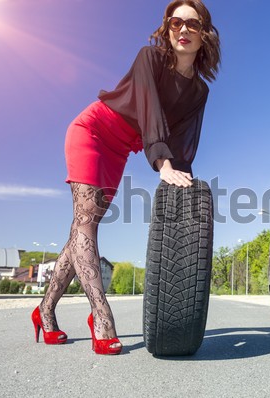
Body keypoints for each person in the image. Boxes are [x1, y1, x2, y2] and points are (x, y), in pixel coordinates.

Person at [31, 0, 221, 355]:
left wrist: (184, 184)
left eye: (192, 25)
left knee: (81, 232)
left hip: (120, 149)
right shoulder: (149, 58)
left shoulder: (199, 91)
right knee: (86, 224)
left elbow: (184, 139)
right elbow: (149, 110)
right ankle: (101, 317)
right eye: (175, 22)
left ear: (204, 34)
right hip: (93, 130)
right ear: (167, 28)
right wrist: (162, 163)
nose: (183, 30)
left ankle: (44, 311)